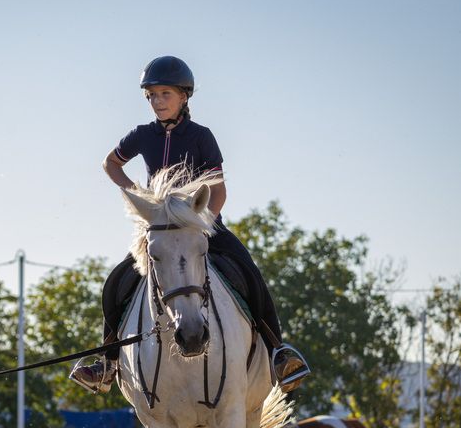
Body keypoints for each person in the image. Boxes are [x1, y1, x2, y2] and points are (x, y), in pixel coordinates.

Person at [69, 55, 310, 395]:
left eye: (165, 94)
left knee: (250, 273)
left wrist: (201, 223)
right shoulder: (141, 135)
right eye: (151, 95)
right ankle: (106, 363)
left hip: (204, 225)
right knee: (116, 283)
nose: (157, 102)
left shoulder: (201, 136)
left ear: (184, 96)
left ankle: (278, 354)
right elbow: (110, 163)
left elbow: (219, 191)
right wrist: (137, 193)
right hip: (159, 230)